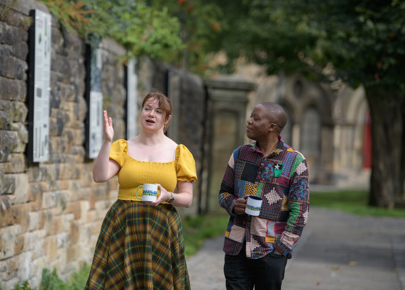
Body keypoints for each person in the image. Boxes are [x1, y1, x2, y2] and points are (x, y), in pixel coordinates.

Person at [86, 92, 197, 290]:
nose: (151, 114)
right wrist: (106, 141)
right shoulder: (123, 147)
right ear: (141, 112)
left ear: (166, 119)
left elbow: (187, 199)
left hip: (161, 226)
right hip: (124, 223)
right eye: (147, 108)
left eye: (158, 111)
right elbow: (100, 176)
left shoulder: (179, 152)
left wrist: (168, 196)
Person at [219, 102, 309, 290]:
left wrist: (281, 249)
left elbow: (300, 212)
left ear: (272, 127)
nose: (249, 121)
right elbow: (223, 193)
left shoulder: (295, 161)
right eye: (251, 116)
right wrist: (233, 204)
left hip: (271, 251)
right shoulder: (239, 154)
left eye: (256, 118)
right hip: (237, 248)